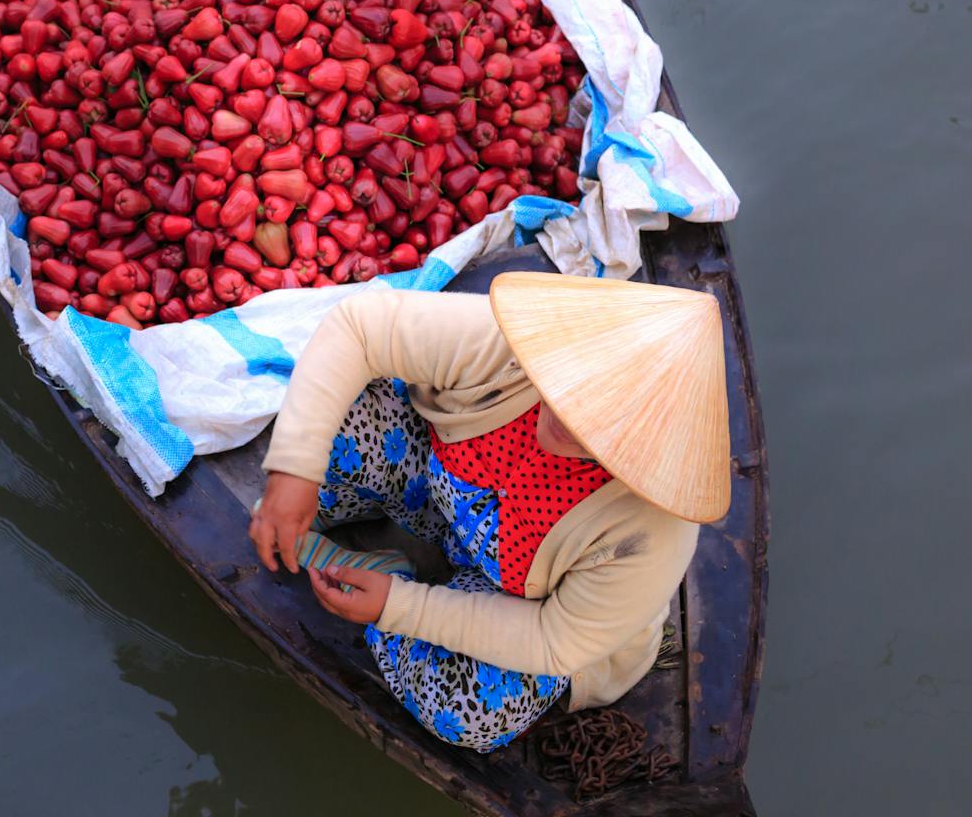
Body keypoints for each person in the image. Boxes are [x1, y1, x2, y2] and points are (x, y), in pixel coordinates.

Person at [247, 272, 730, 752]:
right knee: (333, 415)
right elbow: (360, 329)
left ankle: (388, 575)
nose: (565, 418)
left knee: (469, 711)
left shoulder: (652, 532)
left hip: (519, 605)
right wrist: (294, 473)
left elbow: (553, 639)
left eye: (603, 426)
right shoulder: (509, 349)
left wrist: (398, 607)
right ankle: (332, 519)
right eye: (571, 384)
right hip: (439, 498)